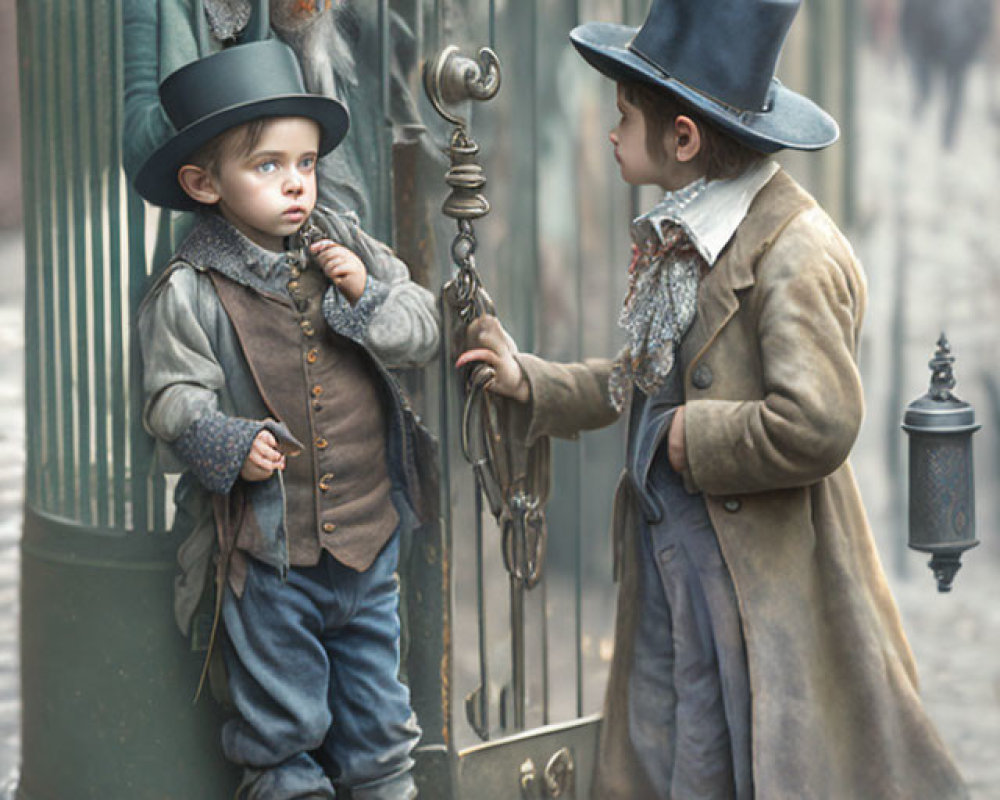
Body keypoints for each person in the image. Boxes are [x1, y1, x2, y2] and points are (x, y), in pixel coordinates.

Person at [458, 0, 968, 797]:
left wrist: (692, 439)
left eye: (623, 117)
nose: (610, 132)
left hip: (757, 578)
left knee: (746, 751)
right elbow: (635, 379)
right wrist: (532, 380)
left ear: (685, 139)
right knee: (673, 753)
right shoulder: (686, 232)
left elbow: (821, 422)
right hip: (678, 567)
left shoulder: (794, 249)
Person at [132, 39, 439, 800]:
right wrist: (230, 444)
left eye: (304, 164)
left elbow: (424, 325)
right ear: (204, 183)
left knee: (382, 730)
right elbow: (171, 400)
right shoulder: (190, 289)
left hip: (370, 545)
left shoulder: (345, 243)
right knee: (280, 735)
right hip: (268, 562)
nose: (296, 184)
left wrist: (366, 294)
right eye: (267, 166)